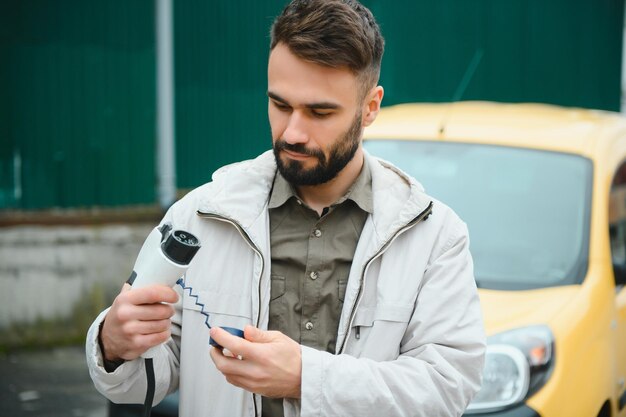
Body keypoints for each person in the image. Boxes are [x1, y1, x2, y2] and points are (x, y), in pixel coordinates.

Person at [86, 1, 486, 416]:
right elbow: (145, 383)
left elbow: (446, 388)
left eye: (320, 112)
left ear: (370, 108)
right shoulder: (201, 216)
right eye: (280, 105)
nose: (292, 132)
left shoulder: (435, 236)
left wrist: (306, 378)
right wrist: (113, 345)